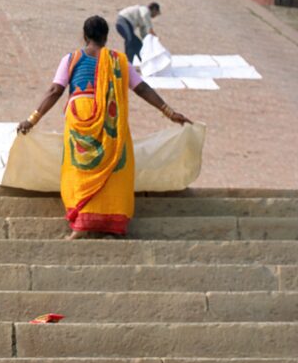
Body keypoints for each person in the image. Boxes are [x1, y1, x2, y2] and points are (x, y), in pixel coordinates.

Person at [16, 15, 191, 240]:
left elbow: (54, 91)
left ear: (85, 36)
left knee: (81, 168)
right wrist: (169, 112)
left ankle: (80, 226)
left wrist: (32, 119)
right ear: (106, 37)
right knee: (114, 170)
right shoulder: (119, 61)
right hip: (112, 120)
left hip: (80, 116)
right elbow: (142, 88)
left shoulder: (71, 59)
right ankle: (113, 226)